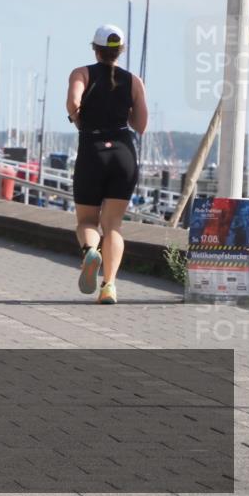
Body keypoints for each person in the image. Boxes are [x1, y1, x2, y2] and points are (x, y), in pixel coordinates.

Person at [67, 24, 148, 305]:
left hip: (93, 149)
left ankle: (91, 251)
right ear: (120, 51)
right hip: (124, 153)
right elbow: (140, 124)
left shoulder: (82, 73)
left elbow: (73, 103)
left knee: (87, 221)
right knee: (113, 225)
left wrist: (79, 119)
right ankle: (109, 286)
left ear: (95, 48)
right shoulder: (134, 81)